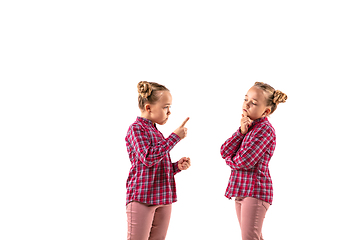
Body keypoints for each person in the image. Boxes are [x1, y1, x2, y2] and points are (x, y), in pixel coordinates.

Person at [220, 82, 287, 240]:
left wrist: (229, 161)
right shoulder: (248, 127)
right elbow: (224, 150)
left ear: (266, 110)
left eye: (254, 103)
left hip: (255, 191)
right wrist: (241, 132)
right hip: (241, 189)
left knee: (249, 237)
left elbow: (244, 162)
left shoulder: (265, 130)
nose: (247, 104)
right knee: (253, 237)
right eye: (245, 99)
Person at [125, 81, 191, 240]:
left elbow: (155, 165)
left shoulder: (156, 132)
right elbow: (147, 158)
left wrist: (176, 167)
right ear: (148, 108)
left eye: (169, 107)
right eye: (165, 107)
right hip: (142, 198)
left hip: (163, 197)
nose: (169, 112)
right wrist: (175, 137)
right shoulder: (136, 129)